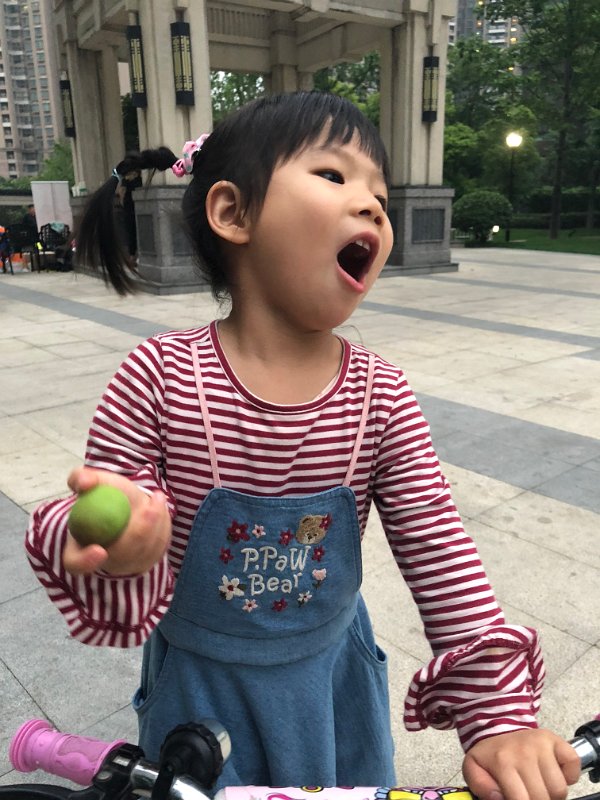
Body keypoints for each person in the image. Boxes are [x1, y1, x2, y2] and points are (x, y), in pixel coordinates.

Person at [25, 93, 579, 798]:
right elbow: (103, 509)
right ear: (234, 213)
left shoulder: (381, 393)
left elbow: (438, 544)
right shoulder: (159, 375)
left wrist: (496, 715)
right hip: (201, 690)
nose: (372, 205)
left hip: (332, 684)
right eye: (334, 175)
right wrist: (117, 542)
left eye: (380, 196)